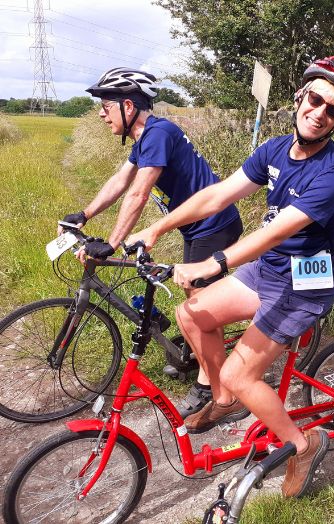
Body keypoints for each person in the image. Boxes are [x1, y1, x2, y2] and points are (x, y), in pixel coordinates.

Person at [128, 56, 334, 497]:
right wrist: (155, 228)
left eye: (333, 110)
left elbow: (272, 234)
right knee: (192, 313)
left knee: (243, 374)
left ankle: (303, 443)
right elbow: (217, 194)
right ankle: (222, 399)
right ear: (300, 96)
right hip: (271, 269)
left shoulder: (332, 175)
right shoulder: (275, 148)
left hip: (303, 281)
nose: (320, 112)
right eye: (315, 99)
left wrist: (214, 263)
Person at [60, 67, 243, 415]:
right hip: (196, 226)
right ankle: (196, 354)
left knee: (201, 309)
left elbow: (139, 194)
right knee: (195, 302)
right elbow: (121, 181)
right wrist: (83, 214)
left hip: (214, 224)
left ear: (128, 106)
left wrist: (111, 243)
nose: (101, 113)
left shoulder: (158, 133)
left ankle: (214, 387)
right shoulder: (146, 138)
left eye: (106, 105)